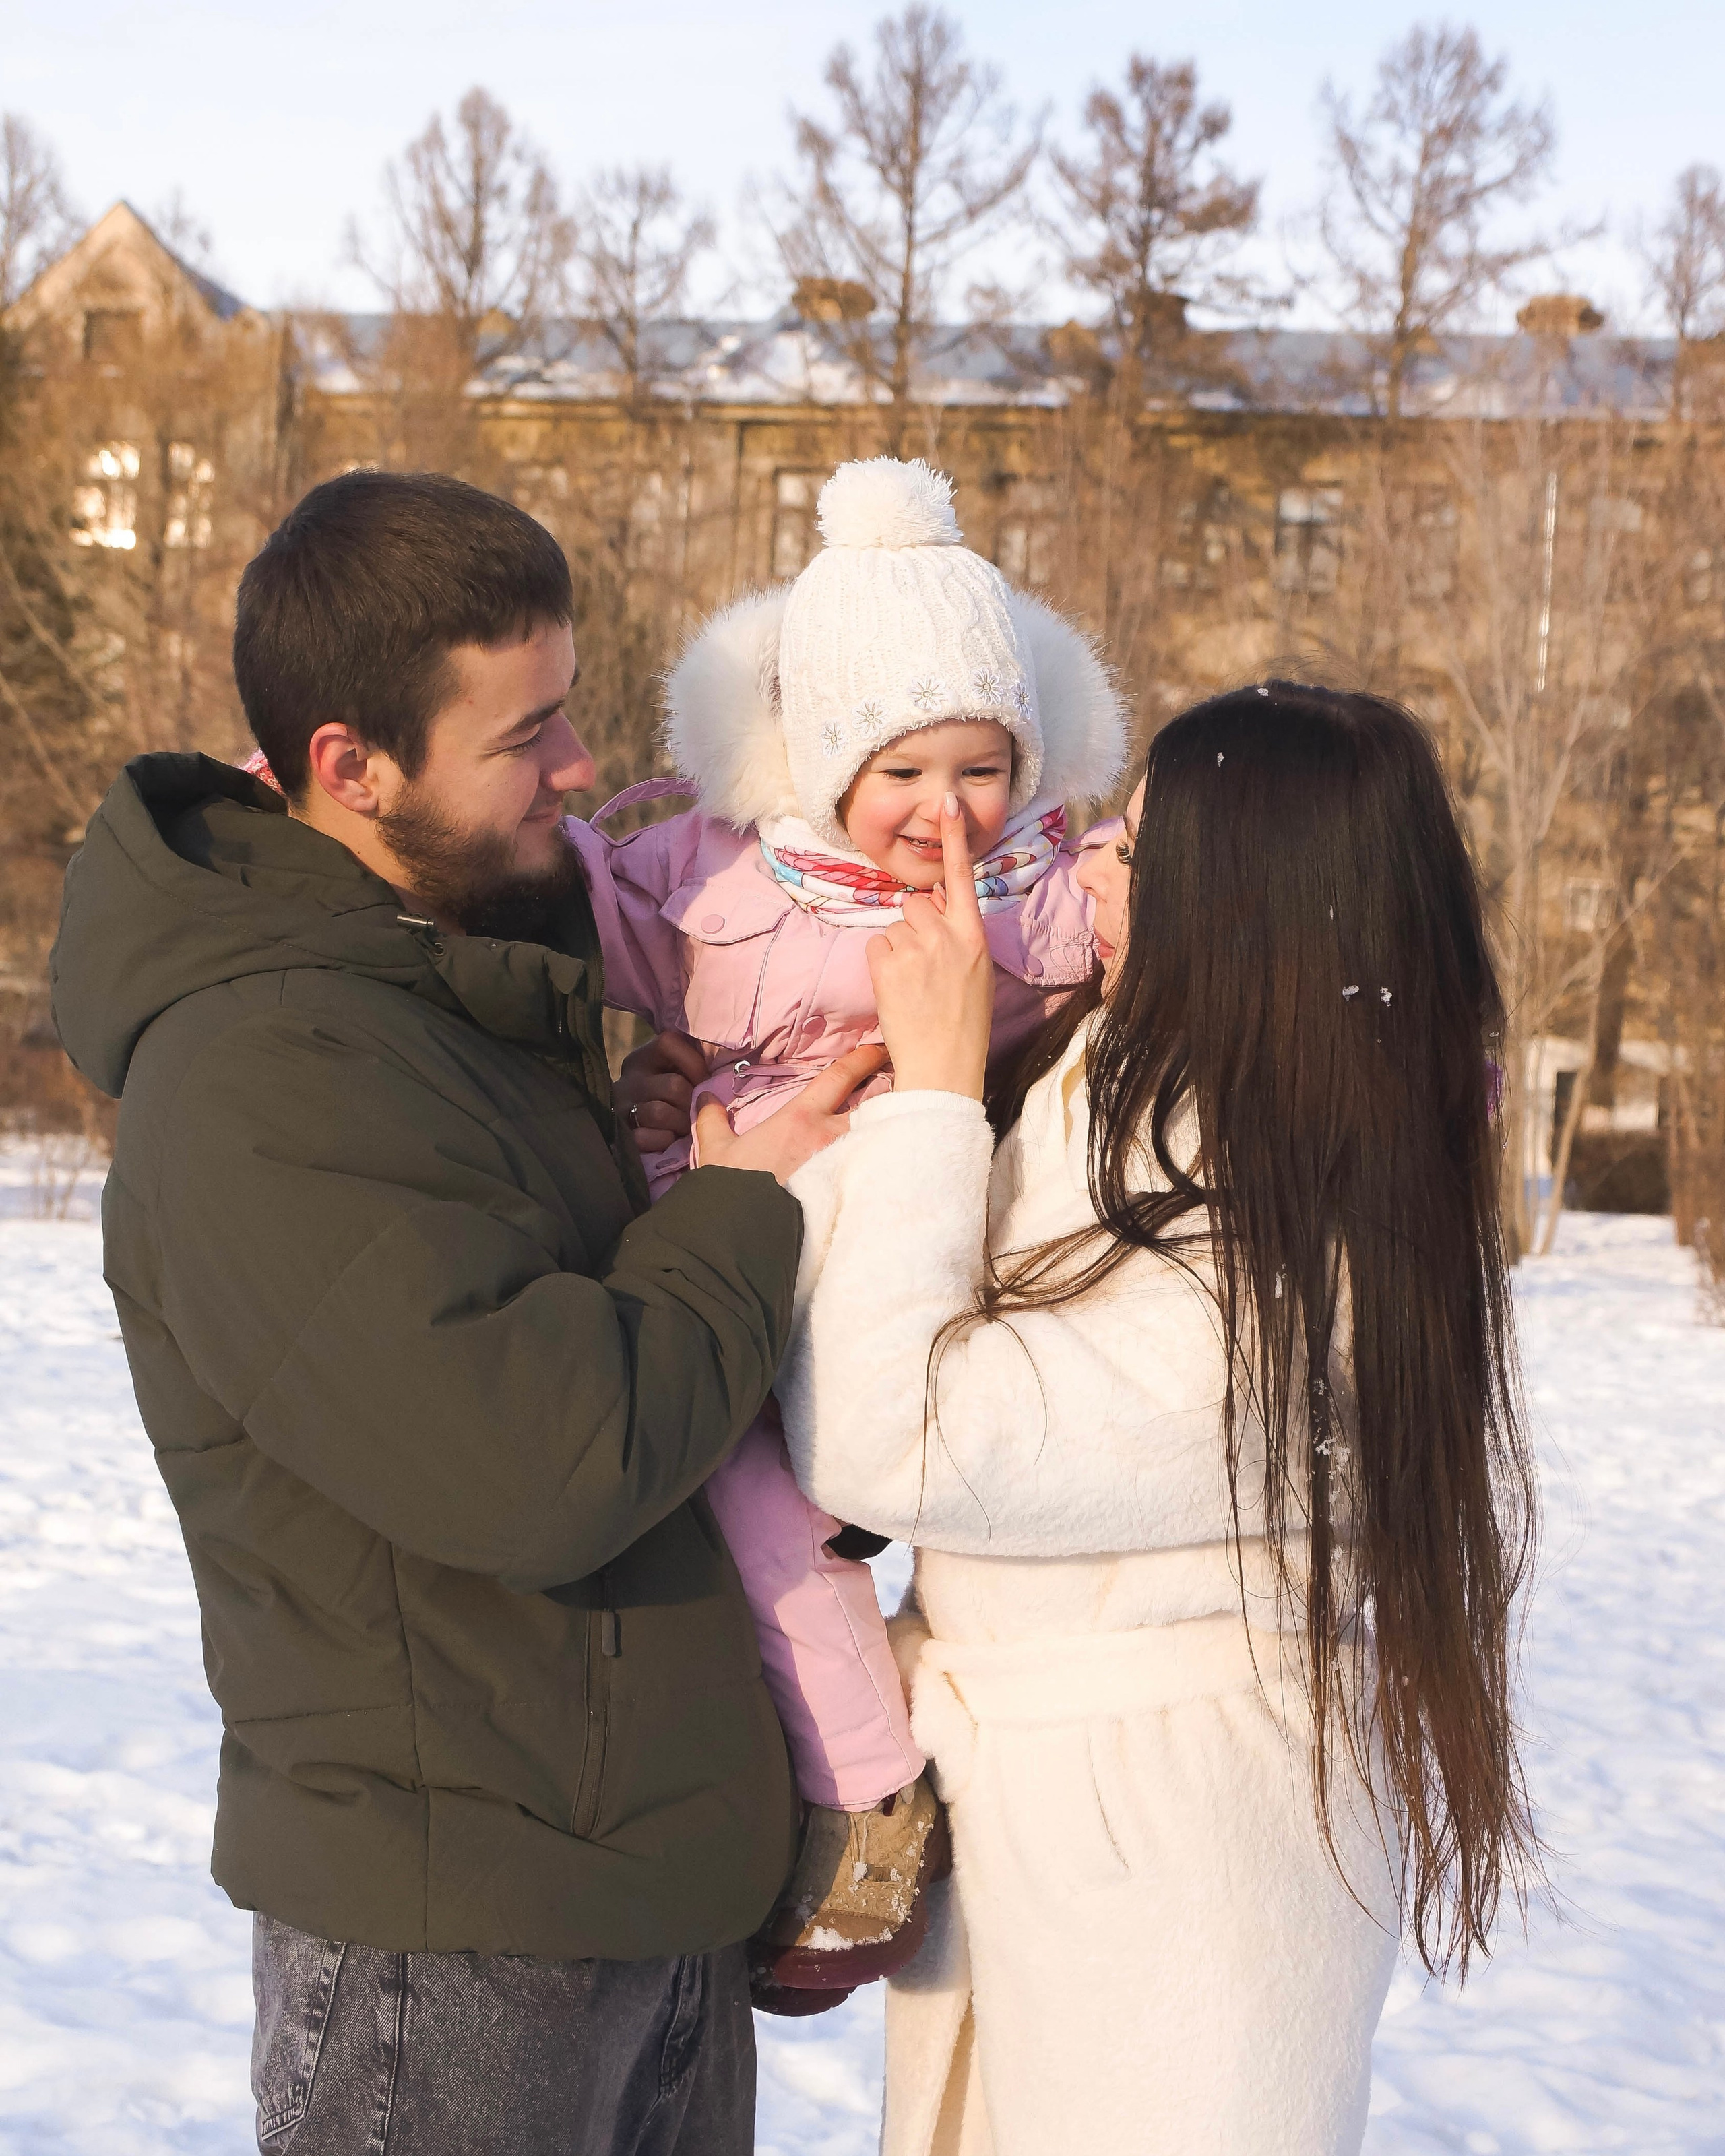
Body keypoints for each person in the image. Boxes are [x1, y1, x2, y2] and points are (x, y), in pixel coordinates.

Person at [49, 469, 875, 2156]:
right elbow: (543, 1456)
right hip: (454, 1948)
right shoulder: (264, 1070)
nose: (577, 768)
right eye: (529, 734)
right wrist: (735, 1201)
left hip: (636, 1895)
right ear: (349, 765)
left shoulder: (464, 994)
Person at [722, 685, 1539, 2155]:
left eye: (1136, 854)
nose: (1082, 866)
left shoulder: (1311, 1267)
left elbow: (889, 1434)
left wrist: (926, 1094)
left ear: (1246, 920)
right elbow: (848, 1278)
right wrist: (766, 1149)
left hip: (1179, 1875)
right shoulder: (1122, 1094)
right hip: (1063, 1844)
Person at [562, 455, 1125, 2006]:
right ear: (819, 758)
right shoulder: (714, 871)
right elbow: (572, 916)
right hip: (732, 1227)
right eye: (902, 774)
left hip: (903, 1250)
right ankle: (857, 1776)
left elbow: (1187, 927)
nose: (945, 815)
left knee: (819, 1492)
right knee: (744, 1505)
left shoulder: (1042, 891)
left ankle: (866, 1802)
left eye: (979, 768)